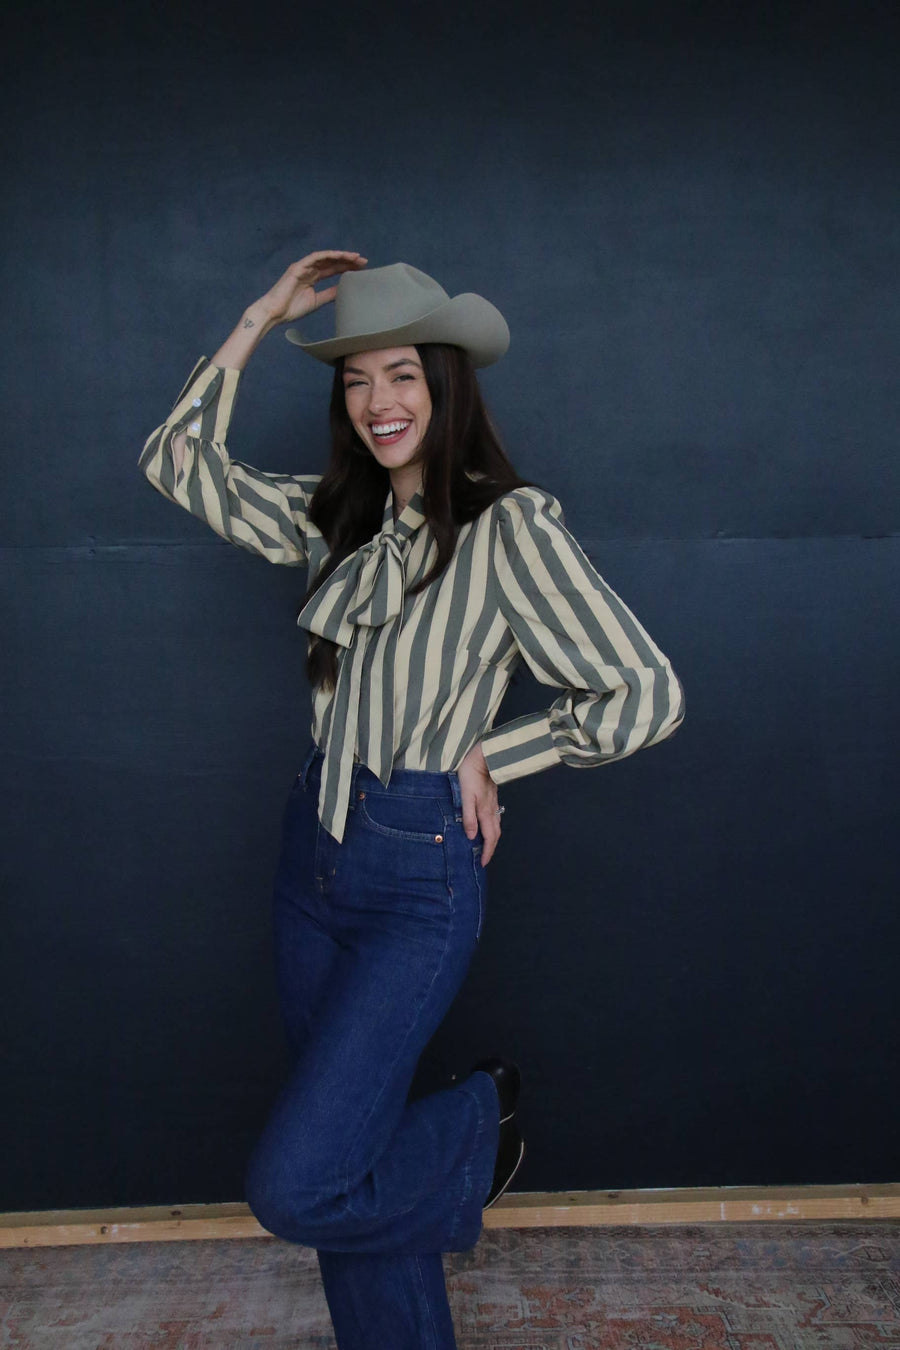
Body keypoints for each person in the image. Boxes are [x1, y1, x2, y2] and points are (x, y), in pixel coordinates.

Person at [138, 250, 686, 1350]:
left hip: (415, 871)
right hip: (312, 858)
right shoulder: (331, 518)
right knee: (350, 1179)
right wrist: (261, 316)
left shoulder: (508, 528)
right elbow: (177, 462)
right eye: (354, 381)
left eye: (401, 375)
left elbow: (646, 692)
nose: (378, 403)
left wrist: (501, 753)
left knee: (301, 1184)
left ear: (445, 384)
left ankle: (482, 1123)